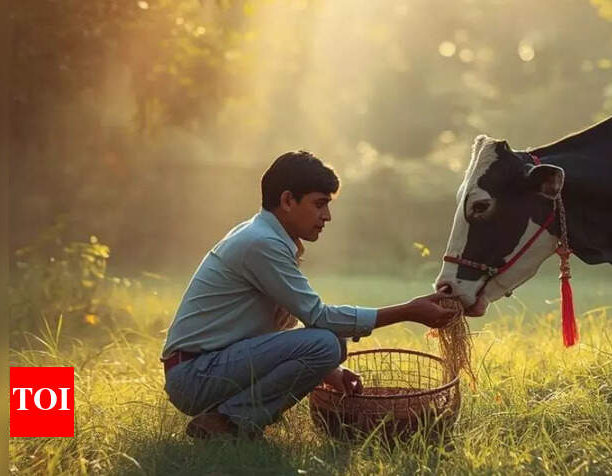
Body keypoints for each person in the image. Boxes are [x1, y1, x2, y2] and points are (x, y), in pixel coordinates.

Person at [160, 151, 457, 439]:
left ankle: (228, 417)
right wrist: (408, 312)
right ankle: (229, 421)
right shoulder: (261, 243)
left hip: (206, 369)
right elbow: (319, 316)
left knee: (330, 343)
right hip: (195, 375)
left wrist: (331, 373)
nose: (326, 216)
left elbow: (281, 330)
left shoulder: (267, 237)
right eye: (319, 204)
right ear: (288, 200)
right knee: (327, 341)